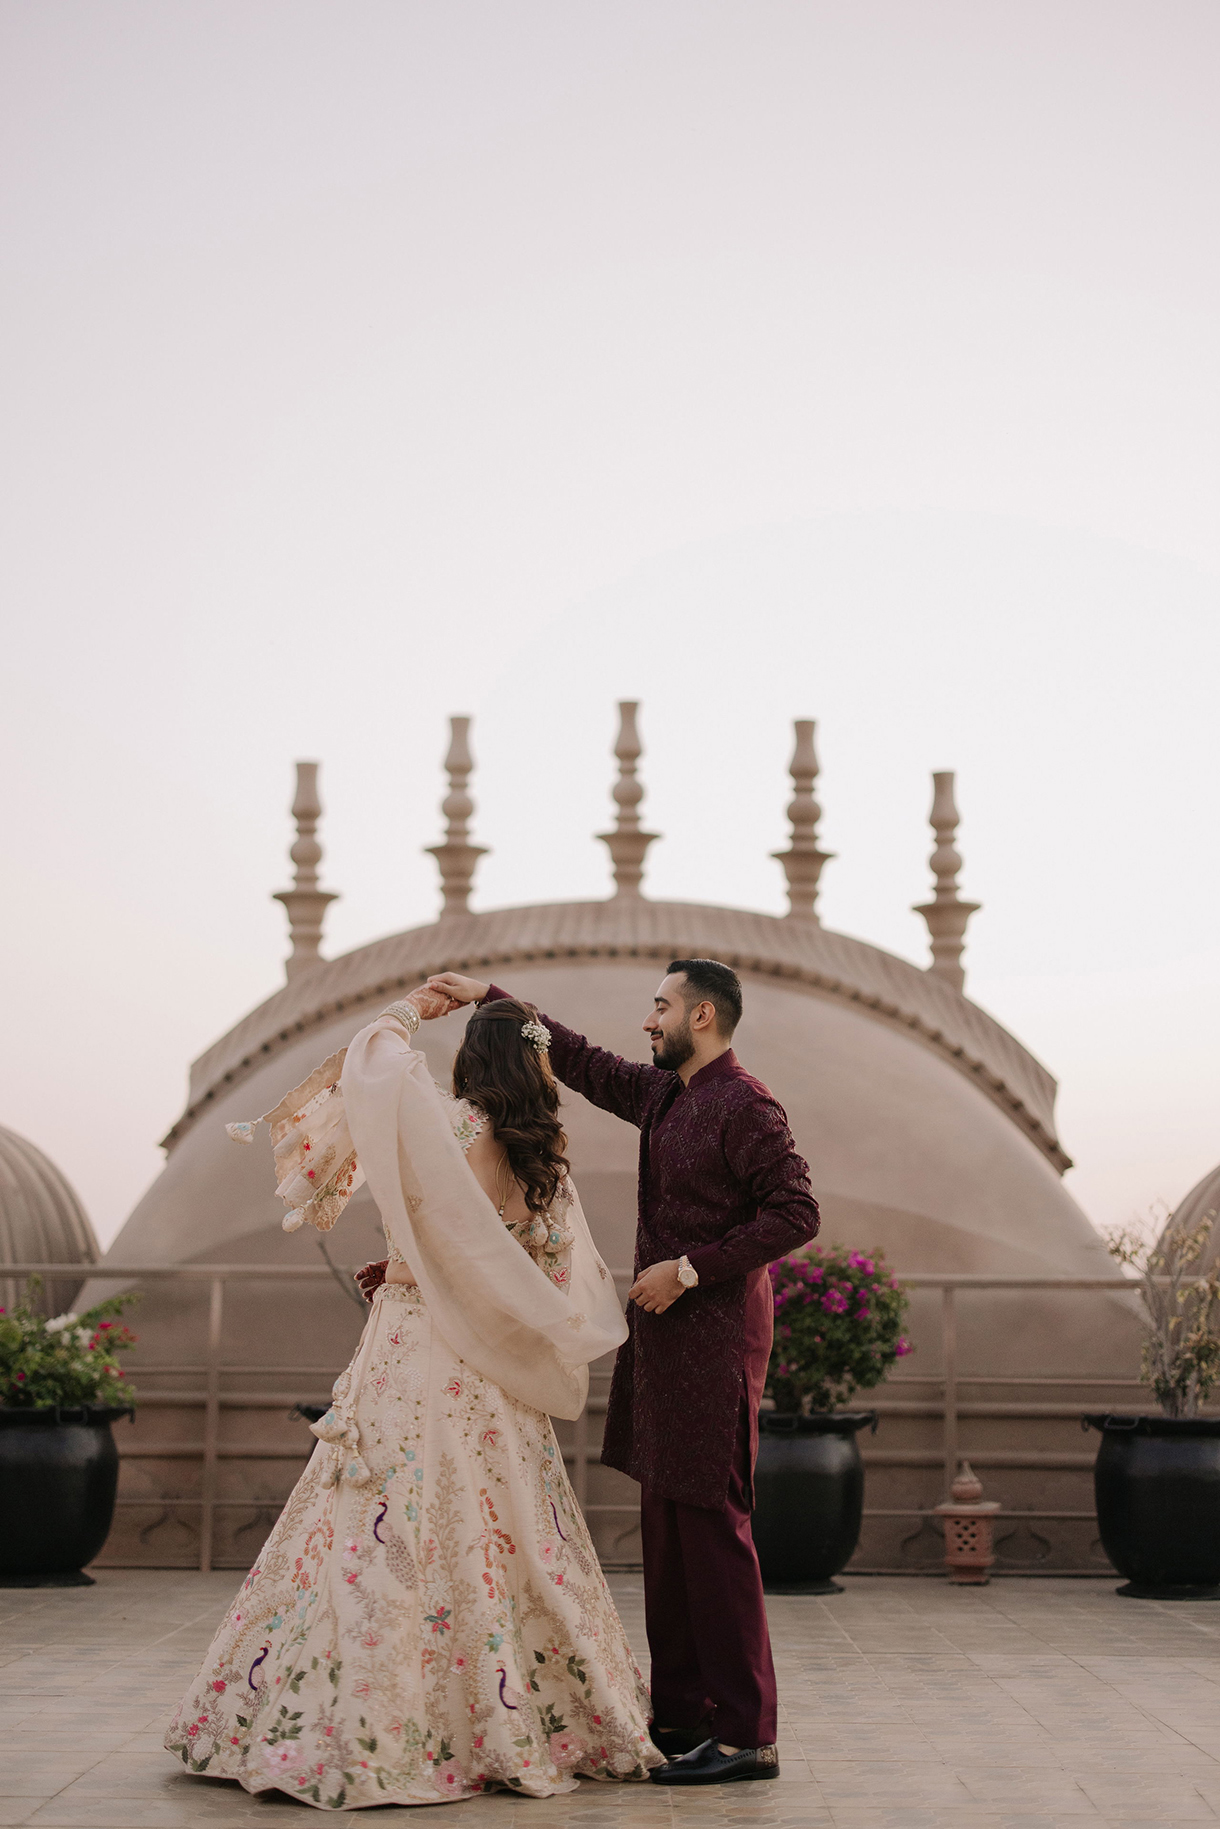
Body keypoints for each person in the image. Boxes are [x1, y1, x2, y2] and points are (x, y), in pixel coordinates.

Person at [165, 984, 662, 1809]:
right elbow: (541, 1277)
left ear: (473, 1060)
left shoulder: (450, 1124)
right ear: (536, 1067)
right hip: (492, 1373)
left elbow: (374, 1063)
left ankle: (367, 1724)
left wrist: (408, 1008)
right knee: (505, 1527)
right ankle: (525, 1714)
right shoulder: (545, 1162)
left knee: (375, 1518)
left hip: (415, 1348)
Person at [392, 961, 821, 1787]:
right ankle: (683, 1716)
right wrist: (492, 998)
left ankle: (746, 1735)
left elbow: (795, 1212)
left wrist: (689, 1269)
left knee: (715, 1530)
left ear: (701, 1015)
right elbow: (582, 1062)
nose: (647, 1021)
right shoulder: (666, 1096)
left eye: (659, 1007)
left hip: (717, 1337)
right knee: (667, 1530)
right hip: (664, 1343)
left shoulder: (746, 1105)